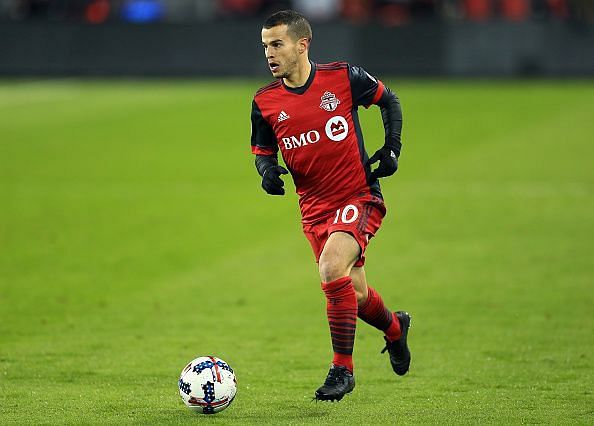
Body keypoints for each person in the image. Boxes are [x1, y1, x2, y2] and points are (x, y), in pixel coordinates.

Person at [250, 10, 411, 402]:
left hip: (358, 195)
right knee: (352, 295)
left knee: (330, 269)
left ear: (302, 45)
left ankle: (343, 369)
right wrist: (267, 171)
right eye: (265, 46)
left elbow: (388, 100)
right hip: (314, 210)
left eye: (277, 44)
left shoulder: (342, 77)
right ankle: (394, 329)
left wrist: (392, 147)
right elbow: (262, 150)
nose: (269, 54)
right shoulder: (264, 102)